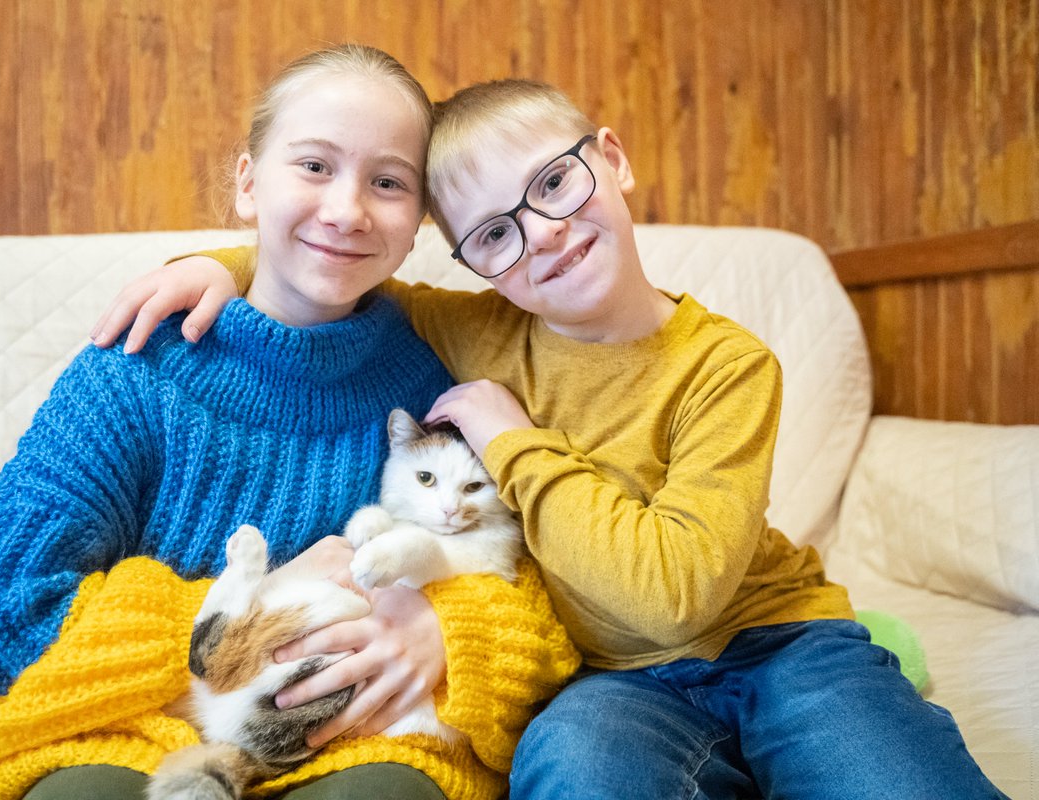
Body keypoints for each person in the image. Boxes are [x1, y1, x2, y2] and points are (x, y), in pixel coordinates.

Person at [93, 77, 1009, 799]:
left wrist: (512, 441)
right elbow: (334, 271)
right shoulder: (476, 328)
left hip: (777, 639)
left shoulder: (728, 366)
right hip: (604, 680)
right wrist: (214, 262)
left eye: (556, 183)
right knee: (573, 774)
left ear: (611, 158)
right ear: (469, 259)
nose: (545, 236)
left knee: (891, 776)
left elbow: (673, 599)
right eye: (494, 234)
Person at [0, 49, 578, 800]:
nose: (346, 210)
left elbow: (538, 593)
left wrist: (446, 634)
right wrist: (239, 623)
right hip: (124, 733)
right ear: (246, 183)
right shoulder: (139, 364)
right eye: (314, 166)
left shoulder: (442, 369)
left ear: (418, 220)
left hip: (353, 740)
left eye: (388, 182)